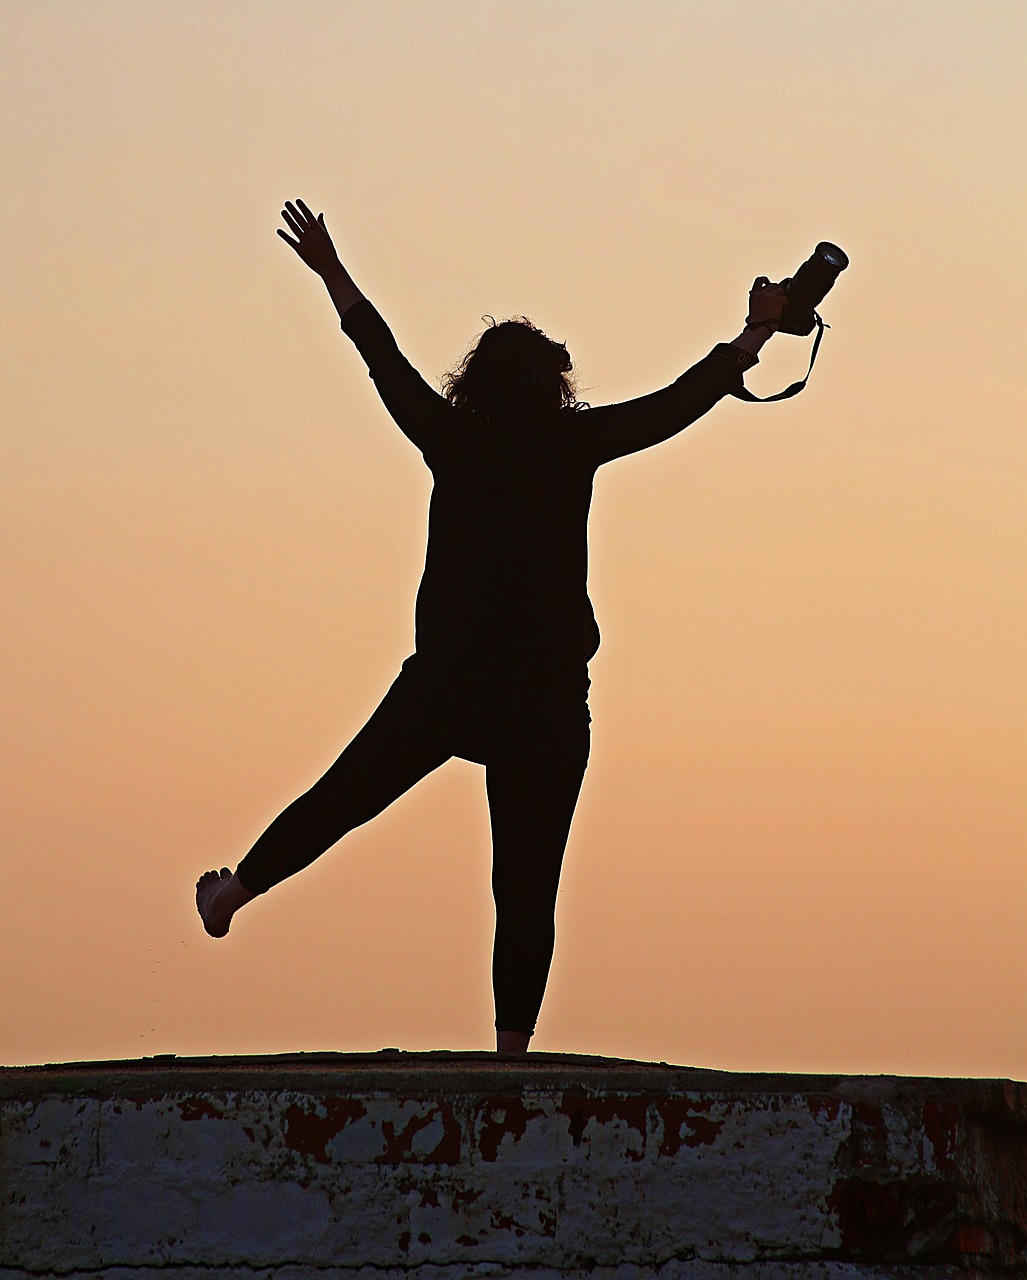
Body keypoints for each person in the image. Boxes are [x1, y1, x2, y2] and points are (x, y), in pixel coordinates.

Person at [196, 198, 787, 1055]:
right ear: (553, 386)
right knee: (525, 884)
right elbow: (678, 403)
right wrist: (753, 334)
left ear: (474, 382)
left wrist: (329, 268)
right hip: (545, 700)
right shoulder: (572, 443)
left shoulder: (450, 436)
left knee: (341, 802)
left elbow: (382, 358)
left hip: (447, 687)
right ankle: (511, 1053)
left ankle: (236, 891)